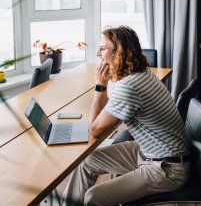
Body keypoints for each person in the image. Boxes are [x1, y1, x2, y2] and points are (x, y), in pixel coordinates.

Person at [62, 26, 190, 206]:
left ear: (118, 52)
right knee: (87, 161)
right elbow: (109, 111)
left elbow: (95, 130)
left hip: (166, 169)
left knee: (93, 197)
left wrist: (100, 86)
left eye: (102, 48)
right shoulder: (140, 72)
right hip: (148, 152)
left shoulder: (129, 87)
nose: (98, 53)